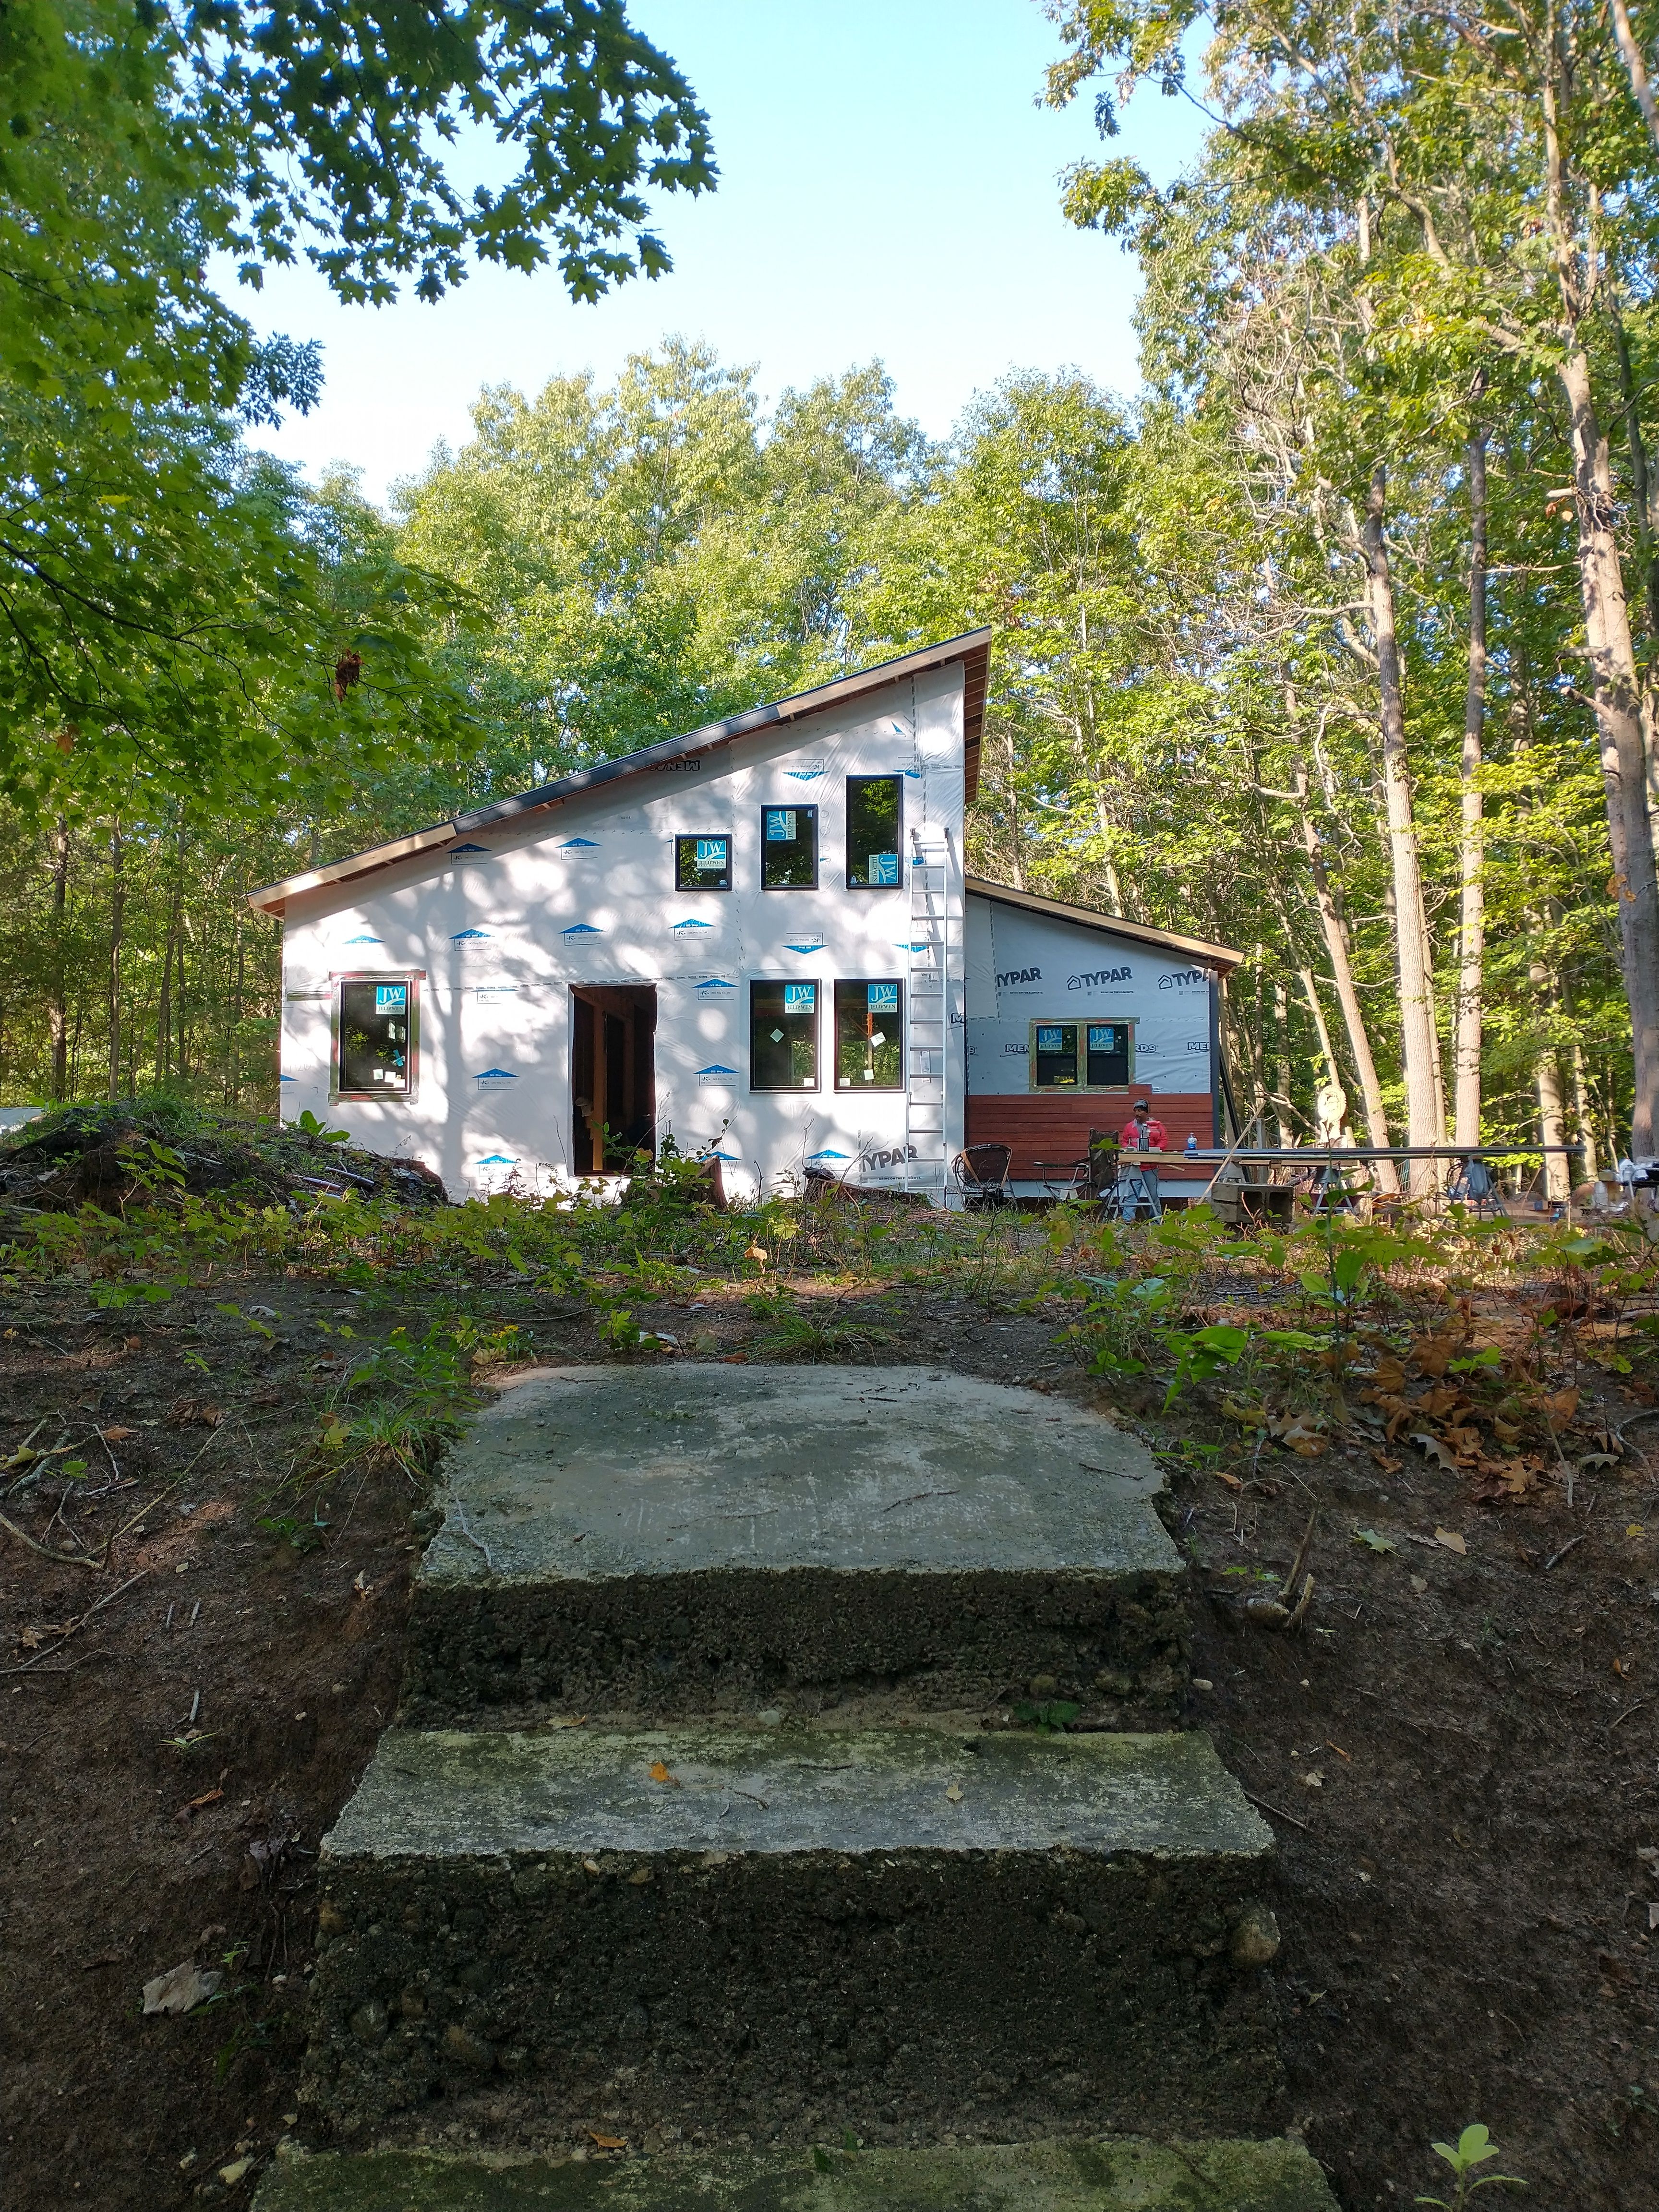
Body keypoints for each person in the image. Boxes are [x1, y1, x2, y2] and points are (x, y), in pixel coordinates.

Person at [1118, 1099, 1165, 1221]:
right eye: (1136, 1111)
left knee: (1153, 1195)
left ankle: (1156, 1221)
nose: (1137, 1114)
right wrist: (1128, 1148)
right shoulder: (1130, 1127)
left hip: (1150, 1166)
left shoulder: (1156, 1126)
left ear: (1146, 1112)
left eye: (1140, 1111)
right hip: (1135, 1166)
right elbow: (1124, 1141)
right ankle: (1127, 1221)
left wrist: (1155, 1150)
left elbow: (1163, 1139)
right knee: (1132, 1194)